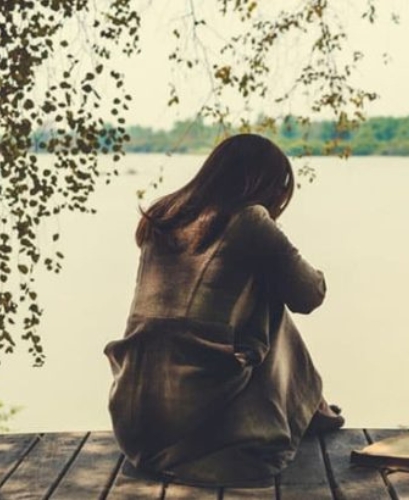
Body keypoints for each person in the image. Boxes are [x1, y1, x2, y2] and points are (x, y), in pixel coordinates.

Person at [104, 133, 344, 487]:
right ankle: (311, 407)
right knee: (269, 300)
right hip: (198, 421)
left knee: (248, 296)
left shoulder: (161, 216)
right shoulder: (249, 220)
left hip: (136, 419)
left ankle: (313, 407)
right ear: (264, 184)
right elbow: (309, 294)